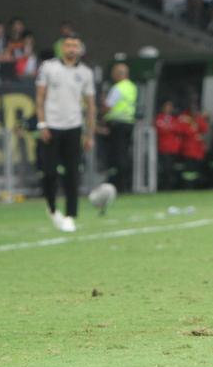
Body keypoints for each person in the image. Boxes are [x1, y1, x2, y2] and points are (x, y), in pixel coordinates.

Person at [34, 33, 96, 232]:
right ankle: (52, 207)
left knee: (72, 173)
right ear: (62, 48)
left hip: (73, 126)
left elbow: (91, 105)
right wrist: (42, 124)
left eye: (75, 46)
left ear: (80, 50)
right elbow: (40, 97)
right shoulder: (49, 68)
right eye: (68, 45)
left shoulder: (86, 73)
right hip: (52, 125)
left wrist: (89, 134)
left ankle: (70, 214)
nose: (71, 49)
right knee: (50, 172)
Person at [100, 63, 137, 192]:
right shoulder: (131, 87)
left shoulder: (117, 88)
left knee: (116, 155)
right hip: (128, 122)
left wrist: (102, 104)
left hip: (117, 124)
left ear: (118, 74)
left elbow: (108, 107)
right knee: (125, 154)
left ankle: (117, 184)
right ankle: (126, 184)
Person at [155, 99, 182, 190]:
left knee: (171, 168)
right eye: (167, 106)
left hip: (173, 148)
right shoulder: (159, 118)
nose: (168, 108)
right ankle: (163, 187)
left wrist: (169, 128)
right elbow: (160, 129)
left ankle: (170, 187)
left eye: (170, 107)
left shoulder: (174, 119)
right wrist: (170, 128)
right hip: (163, 148)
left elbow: (178, 129)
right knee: (164, 168)